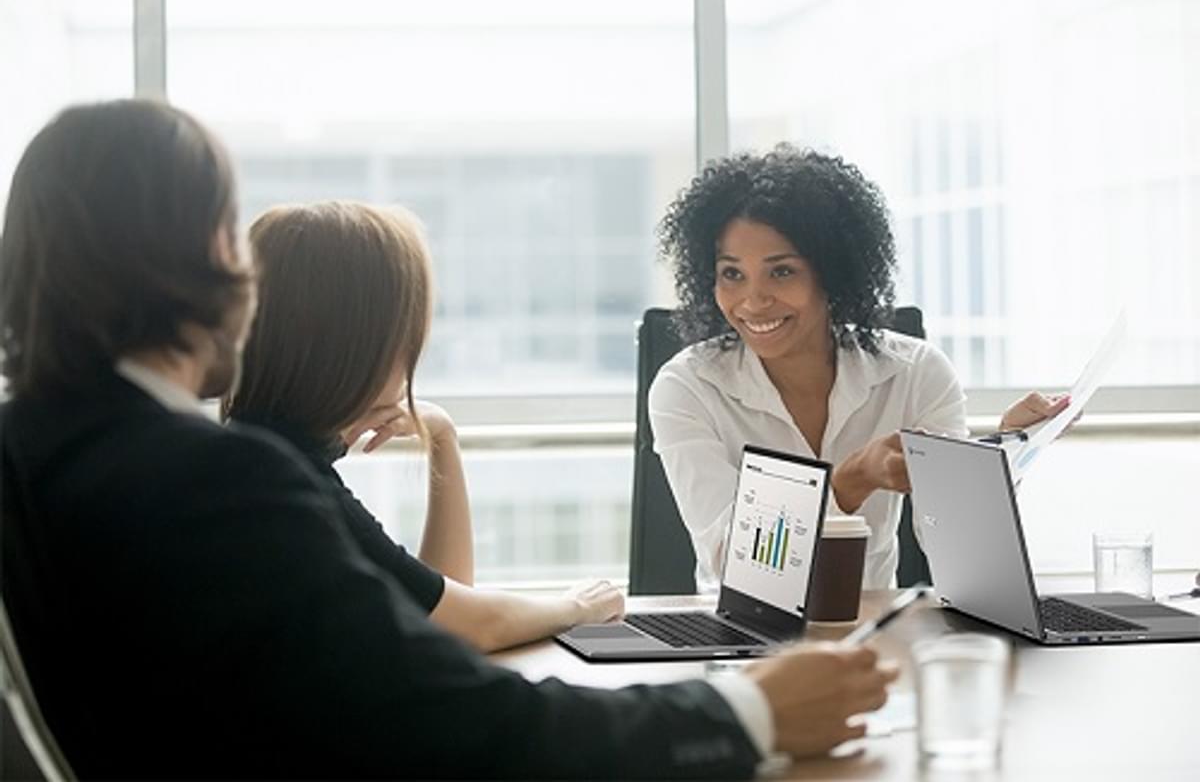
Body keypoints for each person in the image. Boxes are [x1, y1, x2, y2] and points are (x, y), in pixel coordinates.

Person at [0, 100, 898, 779]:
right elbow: (463, 725)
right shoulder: (210, 480)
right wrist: (748, 710)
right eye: (234, 237)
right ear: (202, 254)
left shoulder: (33, 449)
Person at [650, 145, 1068, 589]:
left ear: (832, 273)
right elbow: (732, 561)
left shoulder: (915, 372)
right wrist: (848, 484)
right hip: (743, 637)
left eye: (782, 273)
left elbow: (959, 547)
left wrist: (1005, 451)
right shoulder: (687, 386)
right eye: (732, 275)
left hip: (872, 634)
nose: (753, 301)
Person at [222, 200, 623, 652]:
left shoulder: (262, 449)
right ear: (358, 347)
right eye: (404, 338)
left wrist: (442, 439)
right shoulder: (287, 477)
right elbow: (467, 626)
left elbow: (438, 605)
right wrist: (578, 607)